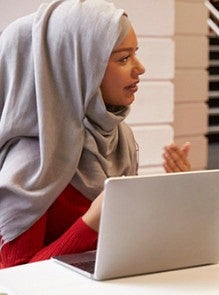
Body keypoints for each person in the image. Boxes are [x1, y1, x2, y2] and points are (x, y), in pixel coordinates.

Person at [0, 0, 183, 268]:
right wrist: (93, 222)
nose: (140, 67)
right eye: (123, 58)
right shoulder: (33, 160)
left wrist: (171, 196)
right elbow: (15, 277)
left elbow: (121, 243)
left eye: (135, 53)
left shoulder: (119, 139)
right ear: (76, 69)